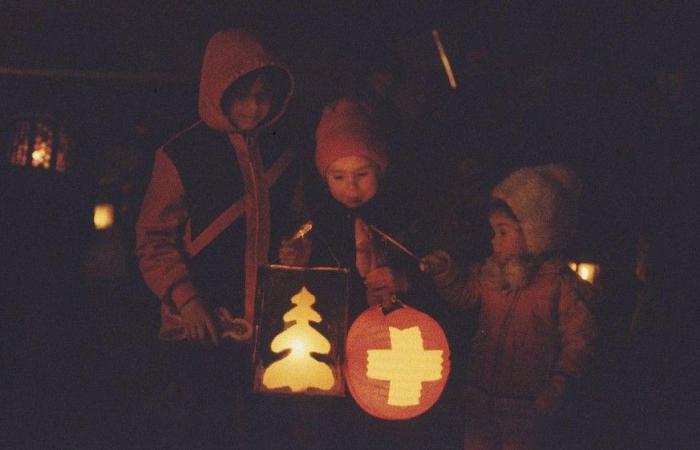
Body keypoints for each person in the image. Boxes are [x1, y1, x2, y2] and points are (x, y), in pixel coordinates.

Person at [134, 29, 298, 448]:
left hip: (273, 326)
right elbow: (154, 239)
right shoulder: (181, 154)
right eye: (241, 94)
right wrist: (186, 299)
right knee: (204, 426)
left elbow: (299, 220)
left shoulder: (284, 150)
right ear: (217, 91)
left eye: (263, 95)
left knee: (263, 430)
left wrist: (299, 251)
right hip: (203, 325)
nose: (254, 107)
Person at [422, 163, 596, 450]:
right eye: (493, 232)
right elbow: (464, 294)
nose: (494, 241)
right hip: (479, 398)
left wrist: (558, 384)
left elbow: (578, 339)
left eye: (503, 232)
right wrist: (446, 273)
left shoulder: (560, 286)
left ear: (536, 234)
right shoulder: (491, 274)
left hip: (527, 406)